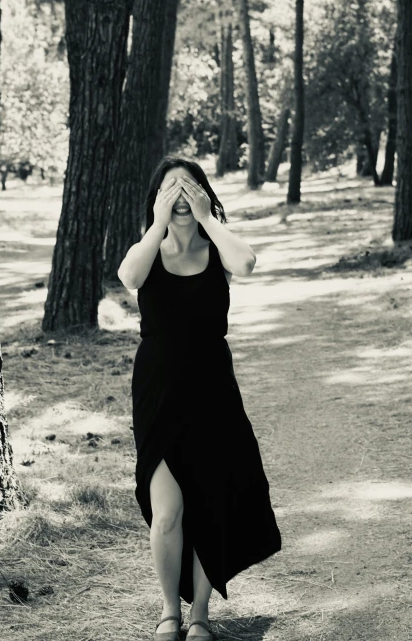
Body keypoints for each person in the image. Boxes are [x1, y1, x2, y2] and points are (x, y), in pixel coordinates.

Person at [118, 156, 281, 641]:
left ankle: (200, 616)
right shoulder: (149, 250)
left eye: (189, 187)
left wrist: (210, 218)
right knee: (167, 511)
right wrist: (158, 222)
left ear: (205, 195)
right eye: (170, 189)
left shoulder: (217, 248)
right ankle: (170, 609)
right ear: (156, 201)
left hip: (212, 390)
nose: (181, 196)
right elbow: (129, 276)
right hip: (158, 391)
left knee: (211, 501)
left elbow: (246, 263)